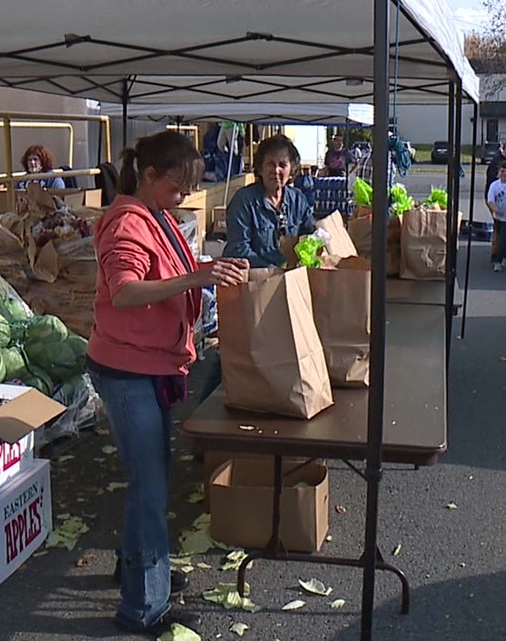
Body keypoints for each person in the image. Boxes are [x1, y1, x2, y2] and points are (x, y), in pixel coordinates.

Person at [86, 130, 247, 636]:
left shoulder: (154, 216)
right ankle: (143, 607)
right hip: (129, 369)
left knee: (147, 480)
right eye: (178, 187)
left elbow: (171, 272)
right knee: (150, 488)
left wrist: (208, 269)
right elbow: (127, 291)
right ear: (150, 176)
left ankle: (136, 567)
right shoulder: (126, 223)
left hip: (151, 365)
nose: (184, 197)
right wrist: (197, 279)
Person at [223, 133, 316, 267]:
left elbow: (310, 234)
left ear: (291, 170)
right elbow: (238, 249)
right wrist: (275, 271)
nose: (276, 170)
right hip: (255, 281)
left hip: (291, 278)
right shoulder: (244, 200)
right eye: (270, 164)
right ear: (260, 168)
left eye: (282, 165)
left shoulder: (298, 199)